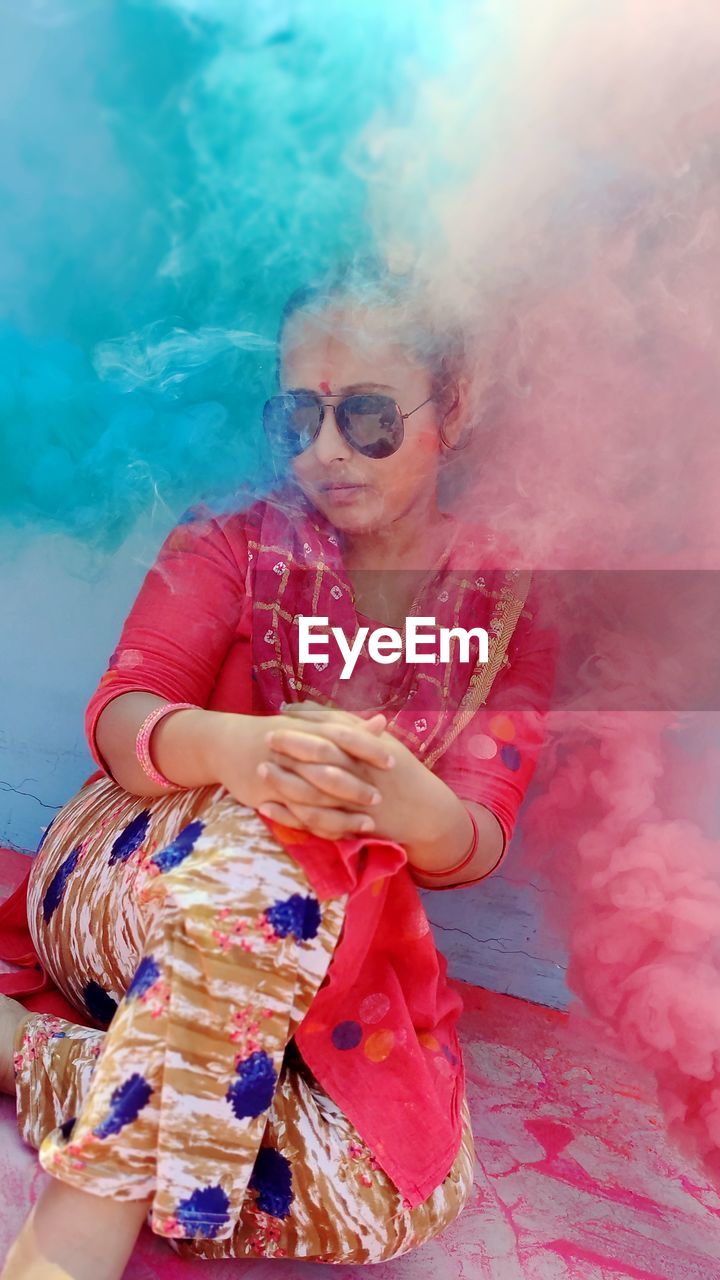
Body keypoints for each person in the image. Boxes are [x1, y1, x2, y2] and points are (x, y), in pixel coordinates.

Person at [0, 271, 555, 1279]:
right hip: (129, 873)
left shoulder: (508, 605)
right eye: (299, 414)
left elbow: (479, 834)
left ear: (456, 403)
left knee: (390, 1197)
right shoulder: (233, 538)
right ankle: (67, 1243)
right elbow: (121, 718)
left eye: (369, 415)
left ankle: (42, 1057)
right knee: (279, 829)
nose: (326, 450)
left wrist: (415, 810)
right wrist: (240, 752)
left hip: (327, 950)